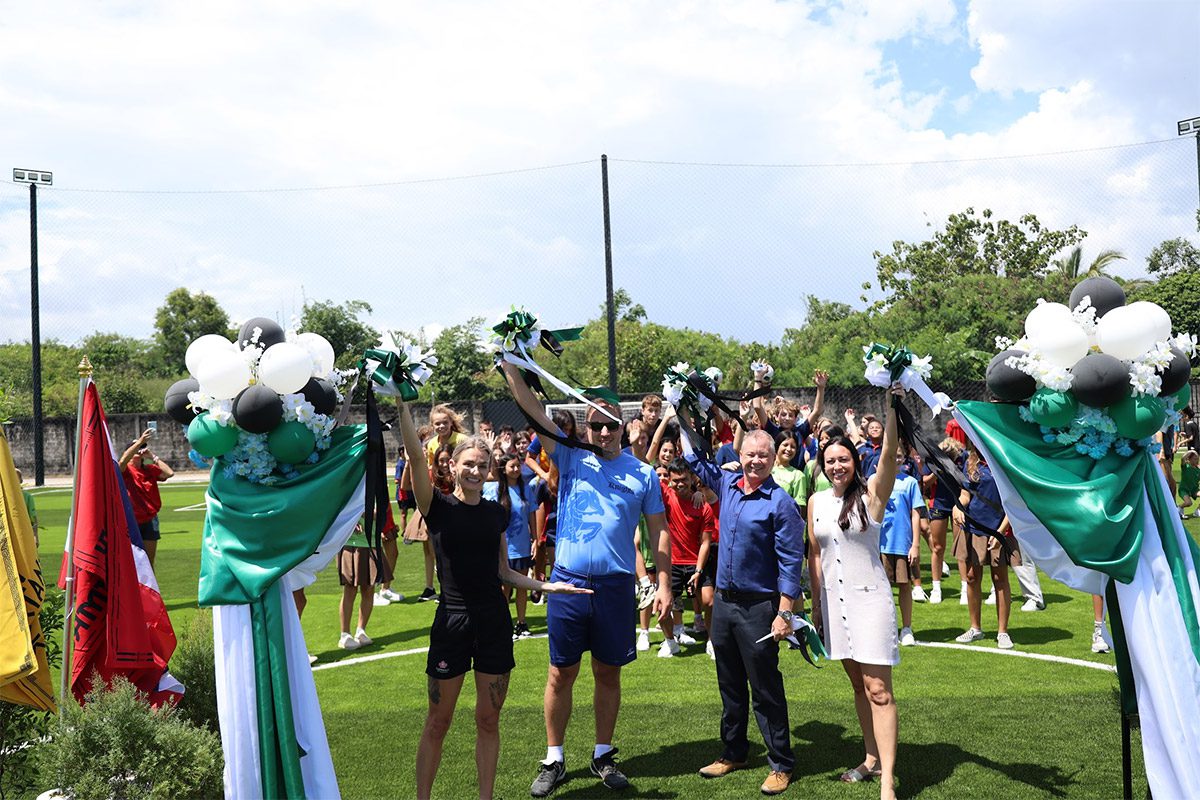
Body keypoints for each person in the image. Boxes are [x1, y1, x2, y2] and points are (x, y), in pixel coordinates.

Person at [398, 403, 590, 800]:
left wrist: (547, 587)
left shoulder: (495, 513)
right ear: (452, 467)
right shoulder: (436, 506)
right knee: (438, 721)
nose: (474, 470)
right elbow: (416, 455)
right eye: (467, 463)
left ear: (488, 470)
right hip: (451, 621)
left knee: (488, 720)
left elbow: (503, 571)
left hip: (493, 622)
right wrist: (401, 402)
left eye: (481, 464)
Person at [499, 362, 671, 797]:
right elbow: (531, 408)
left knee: (608, 673)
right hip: (568, 582)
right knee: (561, 673)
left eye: (610, 425)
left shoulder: (643, 473)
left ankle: (602, 753)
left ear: (624, 427)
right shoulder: (572, 455)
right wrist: (510, 365)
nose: (603, 433)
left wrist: (663, 582)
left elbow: (659, 531)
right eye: (595, 425)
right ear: (586, 428)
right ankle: (554, 757)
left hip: (615, 586)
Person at [678, 405, 805, 796]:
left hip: (760, 606)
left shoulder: (780, 502)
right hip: (725, 604)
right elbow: (690, 457)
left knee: (765, 687)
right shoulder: (728, 486)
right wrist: (679, 406)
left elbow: (790, 563)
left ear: (772, 459)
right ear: (740, 455)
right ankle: (734, 751)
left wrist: (785, 613)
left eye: (762, 455)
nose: (755, 460)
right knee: (729, 684)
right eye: (749, 454)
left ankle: (781, 763)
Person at [807, 386, 905, 799]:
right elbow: (814, 555)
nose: (836, 467)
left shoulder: (871, 496)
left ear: (855, 461)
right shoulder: (815, 501)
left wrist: (891, 408)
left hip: (870, 602)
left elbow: (888, 455)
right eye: (830, 461)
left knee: (879, 689)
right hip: (832, 603)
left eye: (843, 459)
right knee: (857, 685)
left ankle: (887, 780)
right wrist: (815, 603)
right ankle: (870, 758)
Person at [953, 441, 1021, 649]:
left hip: (1000, 527)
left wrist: (1000, 532)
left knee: (999, 578)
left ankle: (1003, 632)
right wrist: (957, 507)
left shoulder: (1004, 462)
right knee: (972, 577)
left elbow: (1014, 502)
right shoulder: (971, 463)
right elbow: (965, 495)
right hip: (974, 527)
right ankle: (975, 628)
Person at [657, 458, 715, 658]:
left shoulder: (703, 506)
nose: (679, 484)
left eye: (683, 479)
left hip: (695, 562)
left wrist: (698, 570)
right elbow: (644, 462)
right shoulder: (666, 496)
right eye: (674, 480)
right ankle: (670, 642)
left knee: (709, 602)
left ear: (691, 478)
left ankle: (711, 641)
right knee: (662, 604)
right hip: (670, 563)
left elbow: (706, 542)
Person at [484, 453, 538, 639]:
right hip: (503, 548)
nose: (516, 470)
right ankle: (502, 623)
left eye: (518, 466)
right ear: (503, 469)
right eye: (512, 466)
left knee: (522, 585)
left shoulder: (526, 489)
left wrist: (536, 539)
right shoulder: (494, 489)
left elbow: (531, 514)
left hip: (522, 546)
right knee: (504, 588)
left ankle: (521, 623)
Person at [879, 447, 923, 647]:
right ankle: (886, 627)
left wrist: (915, 544)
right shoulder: (876, 479)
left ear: (904, 458)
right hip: (880, 544)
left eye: (899, 455)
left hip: (902, 542)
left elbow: (916, 513)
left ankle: (906, 627)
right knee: (882, 589)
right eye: (892, 455)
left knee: (904, 585)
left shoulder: (910, 482)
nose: (895, 459)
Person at [117, 428, 174, 567]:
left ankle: (150, 589)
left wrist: (152, 456)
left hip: (149, 519)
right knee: (131, 562)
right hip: (131, 519)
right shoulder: (126, 471)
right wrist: (140, 441)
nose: (138, 451)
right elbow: (121, 462)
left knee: (148, 562)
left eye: (141, 448)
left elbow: (169, 473)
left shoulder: (149, 470)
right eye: (135, 448)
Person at [337, 515, 393, 649]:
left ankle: (361, 631)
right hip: (352, 541)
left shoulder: (375, 493)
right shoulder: (349, 492)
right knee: (350, 589)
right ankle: (345, 634)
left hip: (373, 542)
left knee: (369, 588)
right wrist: (355, 518)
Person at [14, 468, 38, 547]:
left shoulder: (27, 497)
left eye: (16, 477)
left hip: (23, 533)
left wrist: (35, 536)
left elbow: (33, 519)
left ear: (20, 480)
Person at [1179, 450, 1200, 518]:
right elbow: (1182, 459)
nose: (1197, 461)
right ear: (1189, 459)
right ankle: (1179, 508)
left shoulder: (1198, 469)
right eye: (1195, 459)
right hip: (1184, 490)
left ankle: (1197, 511)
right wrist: (1191, 451)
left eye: (1197, 459)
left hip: (1194, 490)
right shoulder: (1185, 467)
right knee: (1188, 503)